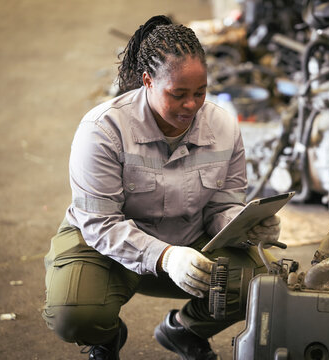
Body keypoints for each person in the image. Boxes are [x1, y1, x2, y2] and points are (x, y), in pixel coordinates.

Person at [41, 15, 281, 360]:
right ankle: (105, 335)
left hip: (188, 237)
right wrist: (166, 257)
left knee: (264, 282)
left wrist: (246, 226)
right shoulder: (102, 130)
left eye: (200, 92)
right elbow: (100, 223)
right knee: (74, 315)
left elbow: (220, 207)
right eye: (178, 94)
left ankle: (184, 330)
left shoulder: (224, 126)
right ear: (147, 81)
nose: (192, 105)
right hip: (106, 247)